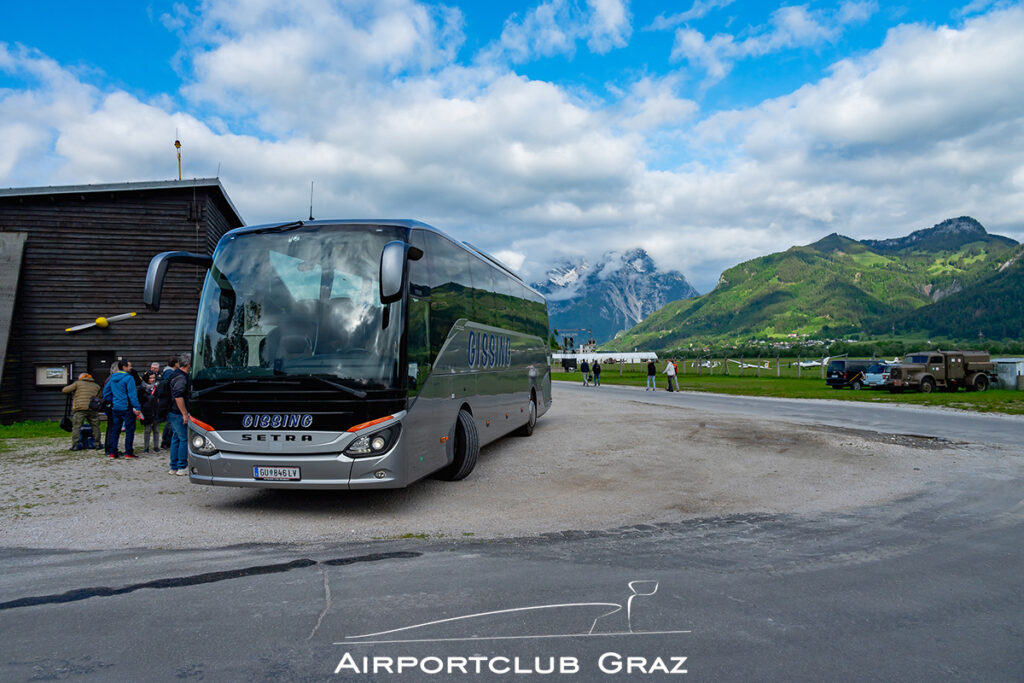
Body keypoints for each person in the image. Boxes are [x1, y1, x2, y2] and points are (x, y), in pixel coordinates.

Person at [102, 360, 142, 459]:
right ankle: (128, 452)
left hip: (116, 407)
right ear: (124, 367)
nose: (131, 368)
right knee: (129, 430)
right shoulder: (129, 378)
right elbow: (132, 395)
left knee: (115, 430)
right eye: (129, 366)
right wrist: (137, 407)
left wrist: (113, 400)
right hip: (126, 406)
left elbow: (106, 393)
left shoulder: (112, 377)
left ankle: (112, 452)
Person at [61, 373, 102, 451]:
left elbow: (65, 390)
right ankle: (97, 444)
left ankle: (75, 445)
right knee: (95, 427)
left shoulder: (77, 384)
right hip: (92, 408)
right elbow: (99, 396)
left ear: (81, 378)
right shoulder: (96, 386)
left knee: (77, 427)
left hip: (80, 409)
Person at [167, 352, 192, 476]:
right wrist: (184, 413)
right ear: (188, 364)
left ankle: (173, 466)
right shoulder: (181, 377)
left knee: (176, 438)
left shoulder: (174, 374)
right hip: (178, 412)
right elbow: (178, 396)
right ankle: (182, 466)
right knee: (183, 439)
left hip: (172, 411)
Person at [159, 356, 179, 449]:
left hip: (168, 400)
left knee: (170, 422)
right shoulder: (169, 373)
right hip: (169, 400)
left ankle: (167, 440)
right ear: (175, 364)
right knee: (170, 422)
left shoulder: (168, 372)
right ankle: (166, 441)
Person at [138, 373, 161, 453]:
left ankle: (156, 446)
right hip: (146, 410)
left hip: (156, 409)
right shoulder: (142, 388)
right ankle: (146, 447)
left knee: (156, 429)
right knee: (147, 430)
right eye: (150, 378)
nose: (152, 379)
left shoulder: (157, 387)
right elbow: (140, 399)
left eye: (154, 378)